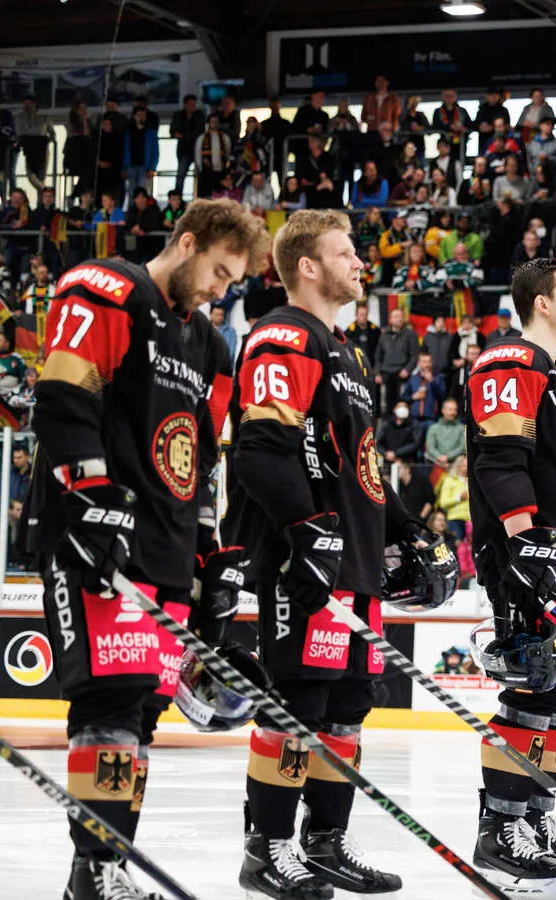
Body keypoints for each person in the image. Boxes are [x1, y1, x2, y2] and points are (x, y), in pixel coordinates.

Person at [30, 199, 264, 900]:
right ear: (187, 242)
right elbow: (63, 394)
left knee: (139, 716)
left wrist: (208, 556)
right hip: (96, 538)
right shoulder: (108, 289)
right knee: (108, 702)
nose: (224, 289)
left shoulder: (213, 348)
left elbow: (201, 462)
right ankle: (96, 869)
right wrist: (90, 491)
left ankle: (102, 870)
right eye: (219, 270)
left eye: (234, 279)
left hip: (162, 556)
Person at [225, 209, 426, 897]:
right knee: (296, 706)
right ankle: (267, 851)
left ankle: (325, 843)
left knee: (347, 708)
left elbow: (362, 466)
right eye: (346, 253)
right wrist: (308, 531)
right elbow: (259, 452)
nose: (360, 263)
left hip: (357, 564)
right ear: (308, 267)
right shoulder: (285, 335)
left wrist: (407, 532)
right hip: (306, 563)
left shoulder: (347, 352)